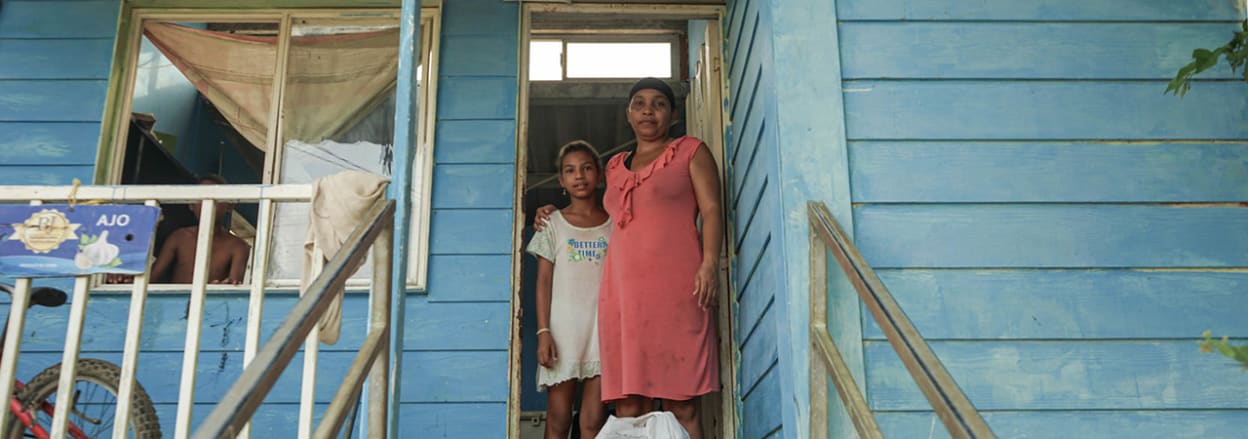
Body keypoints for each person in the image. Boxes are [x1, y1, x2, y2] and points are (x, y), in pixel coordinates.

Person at [536, 78, 723, 438]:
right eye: (639, 104)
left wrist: (709, 263)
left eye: (658, 104)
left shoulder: (690, 151)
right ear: (628, 114)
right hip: (622, 300)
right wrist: (547, 211)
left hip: (679, 292)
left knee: (682, 402)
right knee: (629, 407)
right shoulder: (615, 168)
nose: (648, 111)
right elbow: (589, 205)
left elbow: (712, 210)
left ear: (672, 112)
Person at [527, 141, 611, 439]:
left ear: (599, 175)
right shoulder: (553, 224)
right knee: (558, 418)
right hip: (563, 332)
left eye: (587, 168)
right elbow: (543, 282)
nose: (579, 176)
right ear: (561, 180)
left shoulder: (615, 225)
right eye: (570, 171)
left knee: (592, 422)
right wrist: (543, 332)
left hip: (602, 332)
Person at [150, 174, 250, 284]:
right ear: (191, 205)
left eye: (216, 198)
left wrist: (222, 287)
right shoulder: (179, 237)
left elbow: (234, 286)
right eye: (200, 199)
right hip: (175, 301)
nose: (207, 203)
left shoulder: (237, 246)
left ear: (229, 206)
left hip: (211, 301)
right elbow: (152, 276)